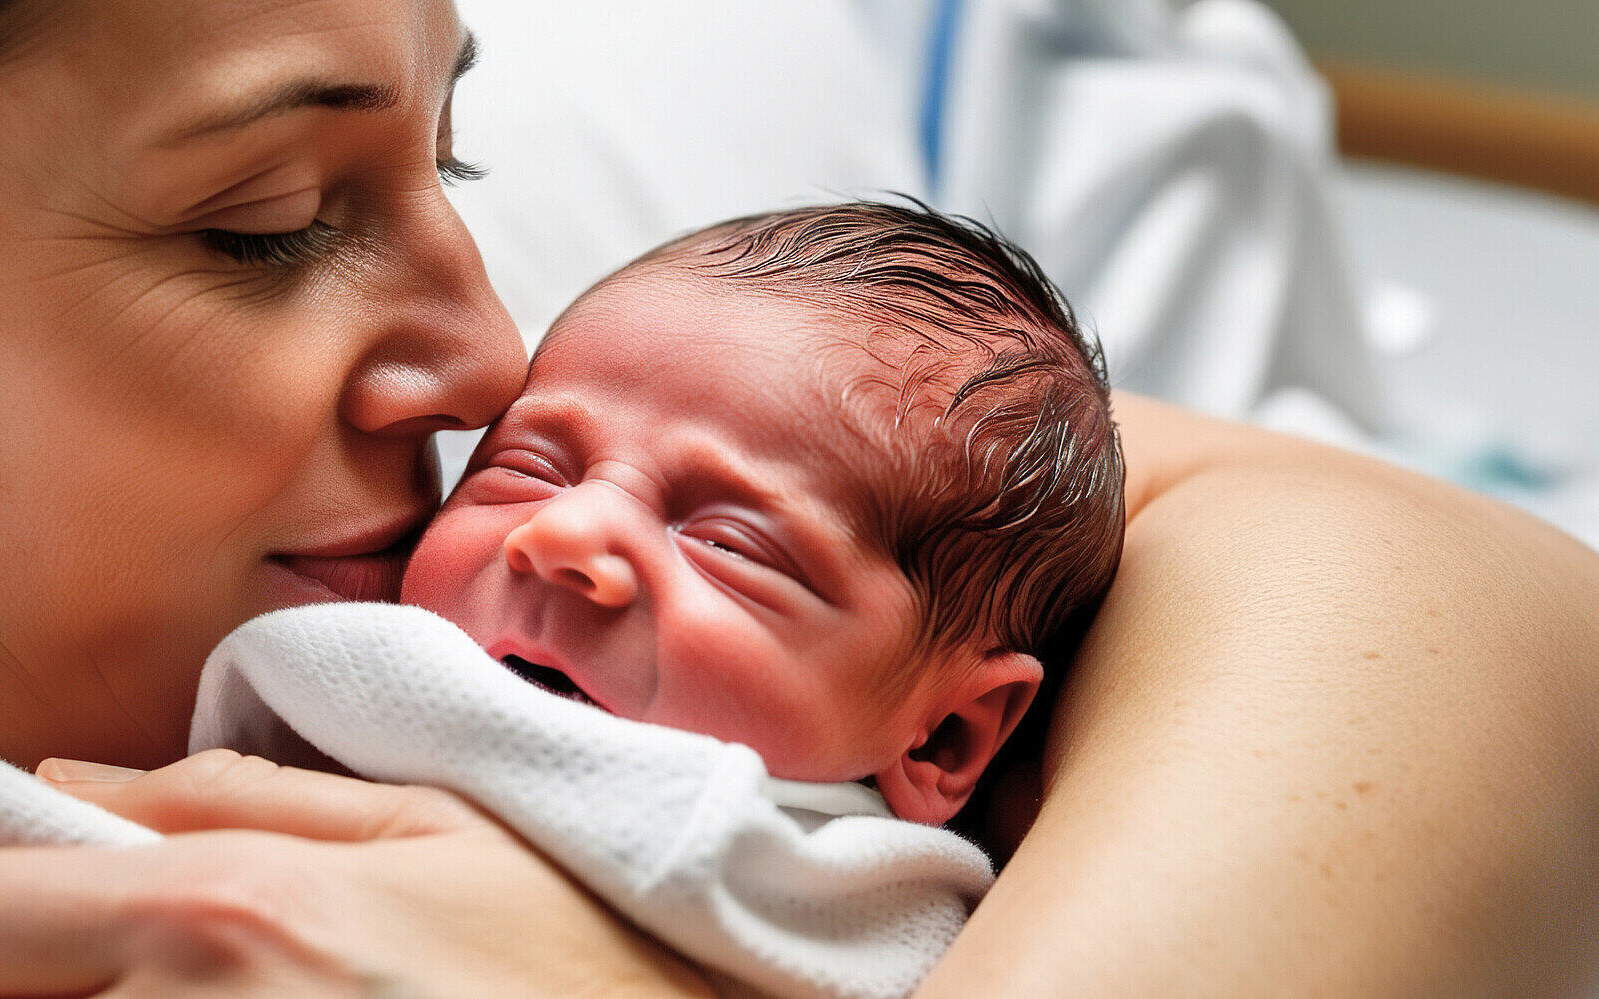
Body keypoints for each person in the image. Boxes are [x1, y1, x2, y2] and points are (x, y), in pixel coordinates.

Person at [0, 2, 1593, 999]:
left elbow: (1465, 599)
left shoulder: (560, 463)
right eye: (266, 226)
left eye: (447, 164)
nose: (492, 364)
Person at [189, 200, 1124, 999]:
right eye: (526, 468)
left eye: (727, 545)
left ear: (942, 734)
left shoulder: (820, 894)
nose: (564, 537)